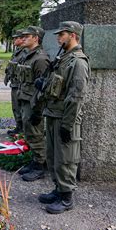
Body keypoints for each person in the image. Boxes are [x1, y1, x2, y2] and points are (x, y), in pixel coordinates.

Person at [37, 21, 90, 214]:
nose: (59, 37)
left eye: (63, 34)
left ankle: (67, 198)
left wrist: (67, 125)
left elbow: (76, 96)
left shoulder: (78, 62)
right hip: (53, 114)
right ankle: (58, 190)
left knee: (66, 159)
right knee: (54, 157)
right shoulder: (63, 58)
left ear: (73, 35)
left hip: (64, 118)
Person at [16, 26, 50, 182]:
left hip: (33, 102)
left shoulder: (41, 59)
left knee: (36, 134)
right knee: (29, 133)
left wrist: (38, 110)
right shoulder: (28, 56)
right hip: (25, 99)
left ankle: (40, 166)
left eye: (27, 36)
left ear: (36, 38)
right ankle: (34, 160)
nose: (23, 39)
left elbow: (43, 87)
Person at [4, 29, 25, 135]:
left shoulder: (25, 52)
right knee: (15, 107)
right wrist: (7, 75)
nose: (14, 40)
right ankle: (19, 126)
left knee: (20, 107)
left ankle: (22, 128)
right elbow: (12, 65)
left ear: (22, 39)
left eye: (16, 38)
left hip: (20, 84)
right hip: (14, 83)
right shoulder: (17, 51)